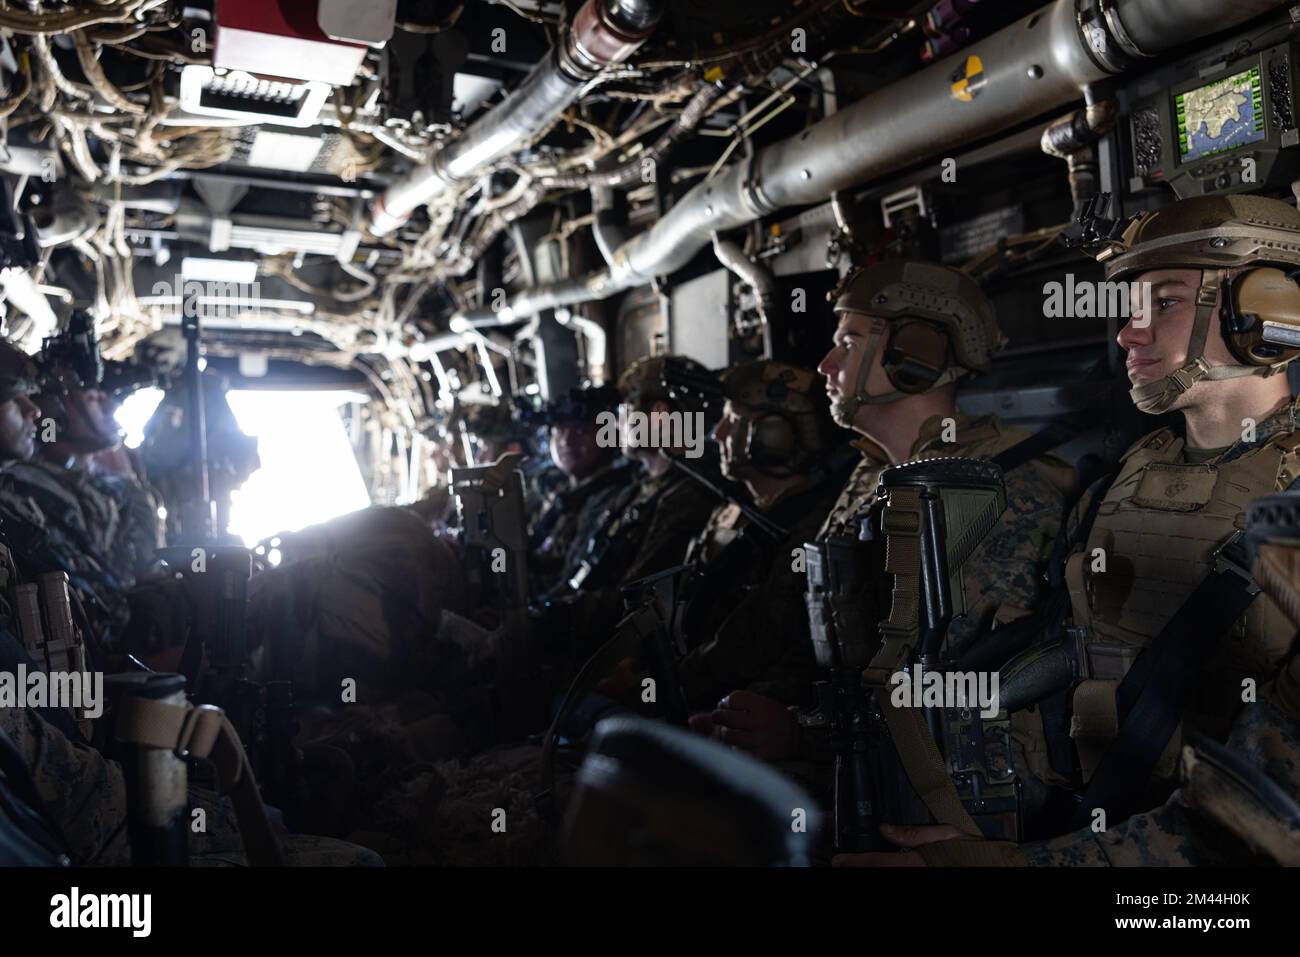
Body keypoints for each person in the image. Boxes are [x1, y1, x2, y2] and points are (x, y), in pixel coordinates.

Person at [696, 259, 1076, 847]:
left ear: (913, 355)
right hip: (851, 768)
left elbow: (956, 705)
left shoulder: (988, 490)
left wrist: (799, 735)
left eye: (847, 341)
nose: (825, 364)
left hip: (932, 808)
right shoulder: (876, 473)